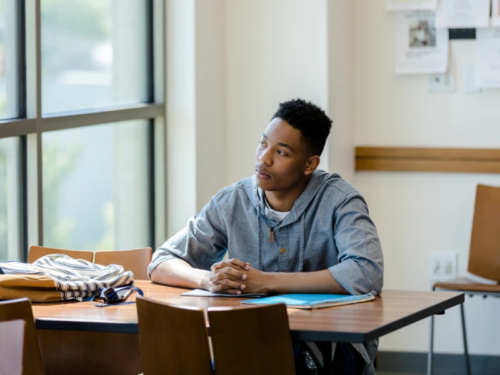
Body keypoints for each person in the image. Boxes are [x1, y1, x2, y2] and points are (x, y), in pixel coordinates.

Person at [148, 98, 384, 374]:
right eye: (263, 143)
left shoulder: (341, 201)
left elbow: (366, 272)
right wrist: (208, 279)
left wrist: (266, 282)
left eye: (282, 153)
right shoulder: (233, 201)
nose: (264, 158)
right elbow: (162, 261)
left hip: (327, 347)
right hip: (249, 344)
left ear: (310, 164)